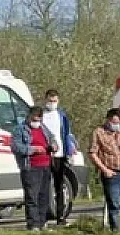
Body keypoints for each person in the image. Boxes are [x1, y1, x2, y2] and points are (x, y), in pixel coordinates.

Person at [11, 106, 57, 231]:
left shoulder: (43, 127)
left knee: (44, 196)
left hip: (46, 166)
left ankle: (42, 223)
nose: (36, 122)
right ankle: (33, 224)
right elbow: (16, 147)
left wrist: (53, 145)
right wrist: (33, 149)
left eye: (38, 119)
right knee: (32, 196)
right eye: (34, 119)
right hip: (31, 167)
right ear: (29, 116)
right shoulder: (20, 129)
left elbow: (52, 138)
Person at [41, 89, 78, 225]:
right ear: (45, 100)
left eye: (55, 101)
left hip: (60, 155)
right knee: (44, 186)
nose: (52, 103)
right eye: (50, 101)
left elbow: (67, 134)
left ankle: (60, 216)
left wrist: (70, 151)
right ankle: (43, 217)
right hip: (45, 155)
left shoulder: (61, 115)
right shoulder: (41, 115)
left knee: (59, 185)